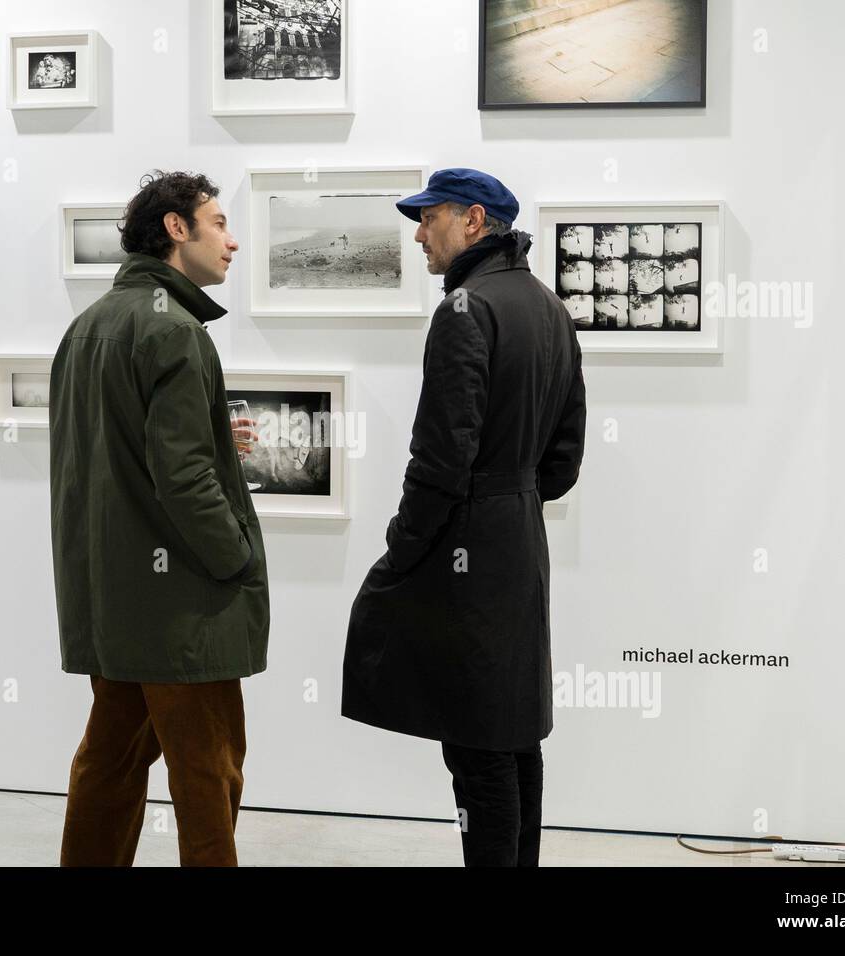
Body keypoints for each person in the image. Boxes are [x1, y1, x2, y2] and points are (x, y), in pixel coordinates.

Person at [340, 168, 586, 867]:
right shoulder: (549, 307)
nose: (418, 232)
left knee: (477, 749)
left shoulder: (466, 311)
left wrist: (404, 545)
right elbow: (564, 461)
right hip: (519, 539)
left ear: (474, 220)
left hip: (467, 547)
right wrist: (514, 496)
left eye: (429, 217)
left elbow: (442, 457)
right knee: (511, 734)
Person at [49, 170, 268, 867]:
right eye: (218, 224)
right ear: (176, 229)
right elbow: (182, 479)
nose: (232, 242)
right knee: (208, 776)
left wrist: (208, 443)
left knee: (109, 768)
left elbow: (116, 456)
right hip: (179, 609)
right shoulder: (174, 332)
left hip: (113, 598)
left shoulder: (89, 327)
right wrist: (237, 557)